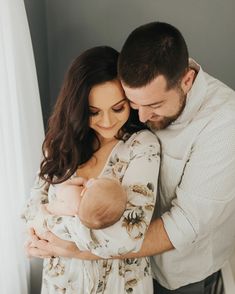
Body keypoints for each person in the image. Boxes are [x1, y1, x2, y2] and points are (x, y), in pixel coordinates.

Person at [27, 22, 235, 294]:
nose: (142, 118)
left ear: (187, 81)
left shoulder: (223, 124)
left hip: (178, 276)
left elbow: (184, 225)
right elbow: (36, 201)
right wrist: (40, 228)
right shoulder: (135, 106)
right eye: (133, 104)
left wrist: (75, 248)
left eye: (154, 106)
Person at [22, 46, 161, 293]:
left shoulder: (141, 147)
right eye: (93, 112)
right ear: (77, 108)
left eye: (118, 108)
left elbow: (129, 236)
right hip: (63, 284)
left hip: (119, 284)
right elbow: (30, 213)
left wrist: (63, 243)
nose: (107, 122)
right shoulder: (59, 145)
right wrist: (55, 219)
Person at [27, 176, 127, 236]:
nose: (93, 179)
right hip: (45, 227)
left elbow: (61, 190)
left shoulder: (74, 194)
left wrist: (78, 181)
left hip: (41, 216)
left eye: (94, 182)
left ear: (84, 191)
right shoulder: (83, 216)